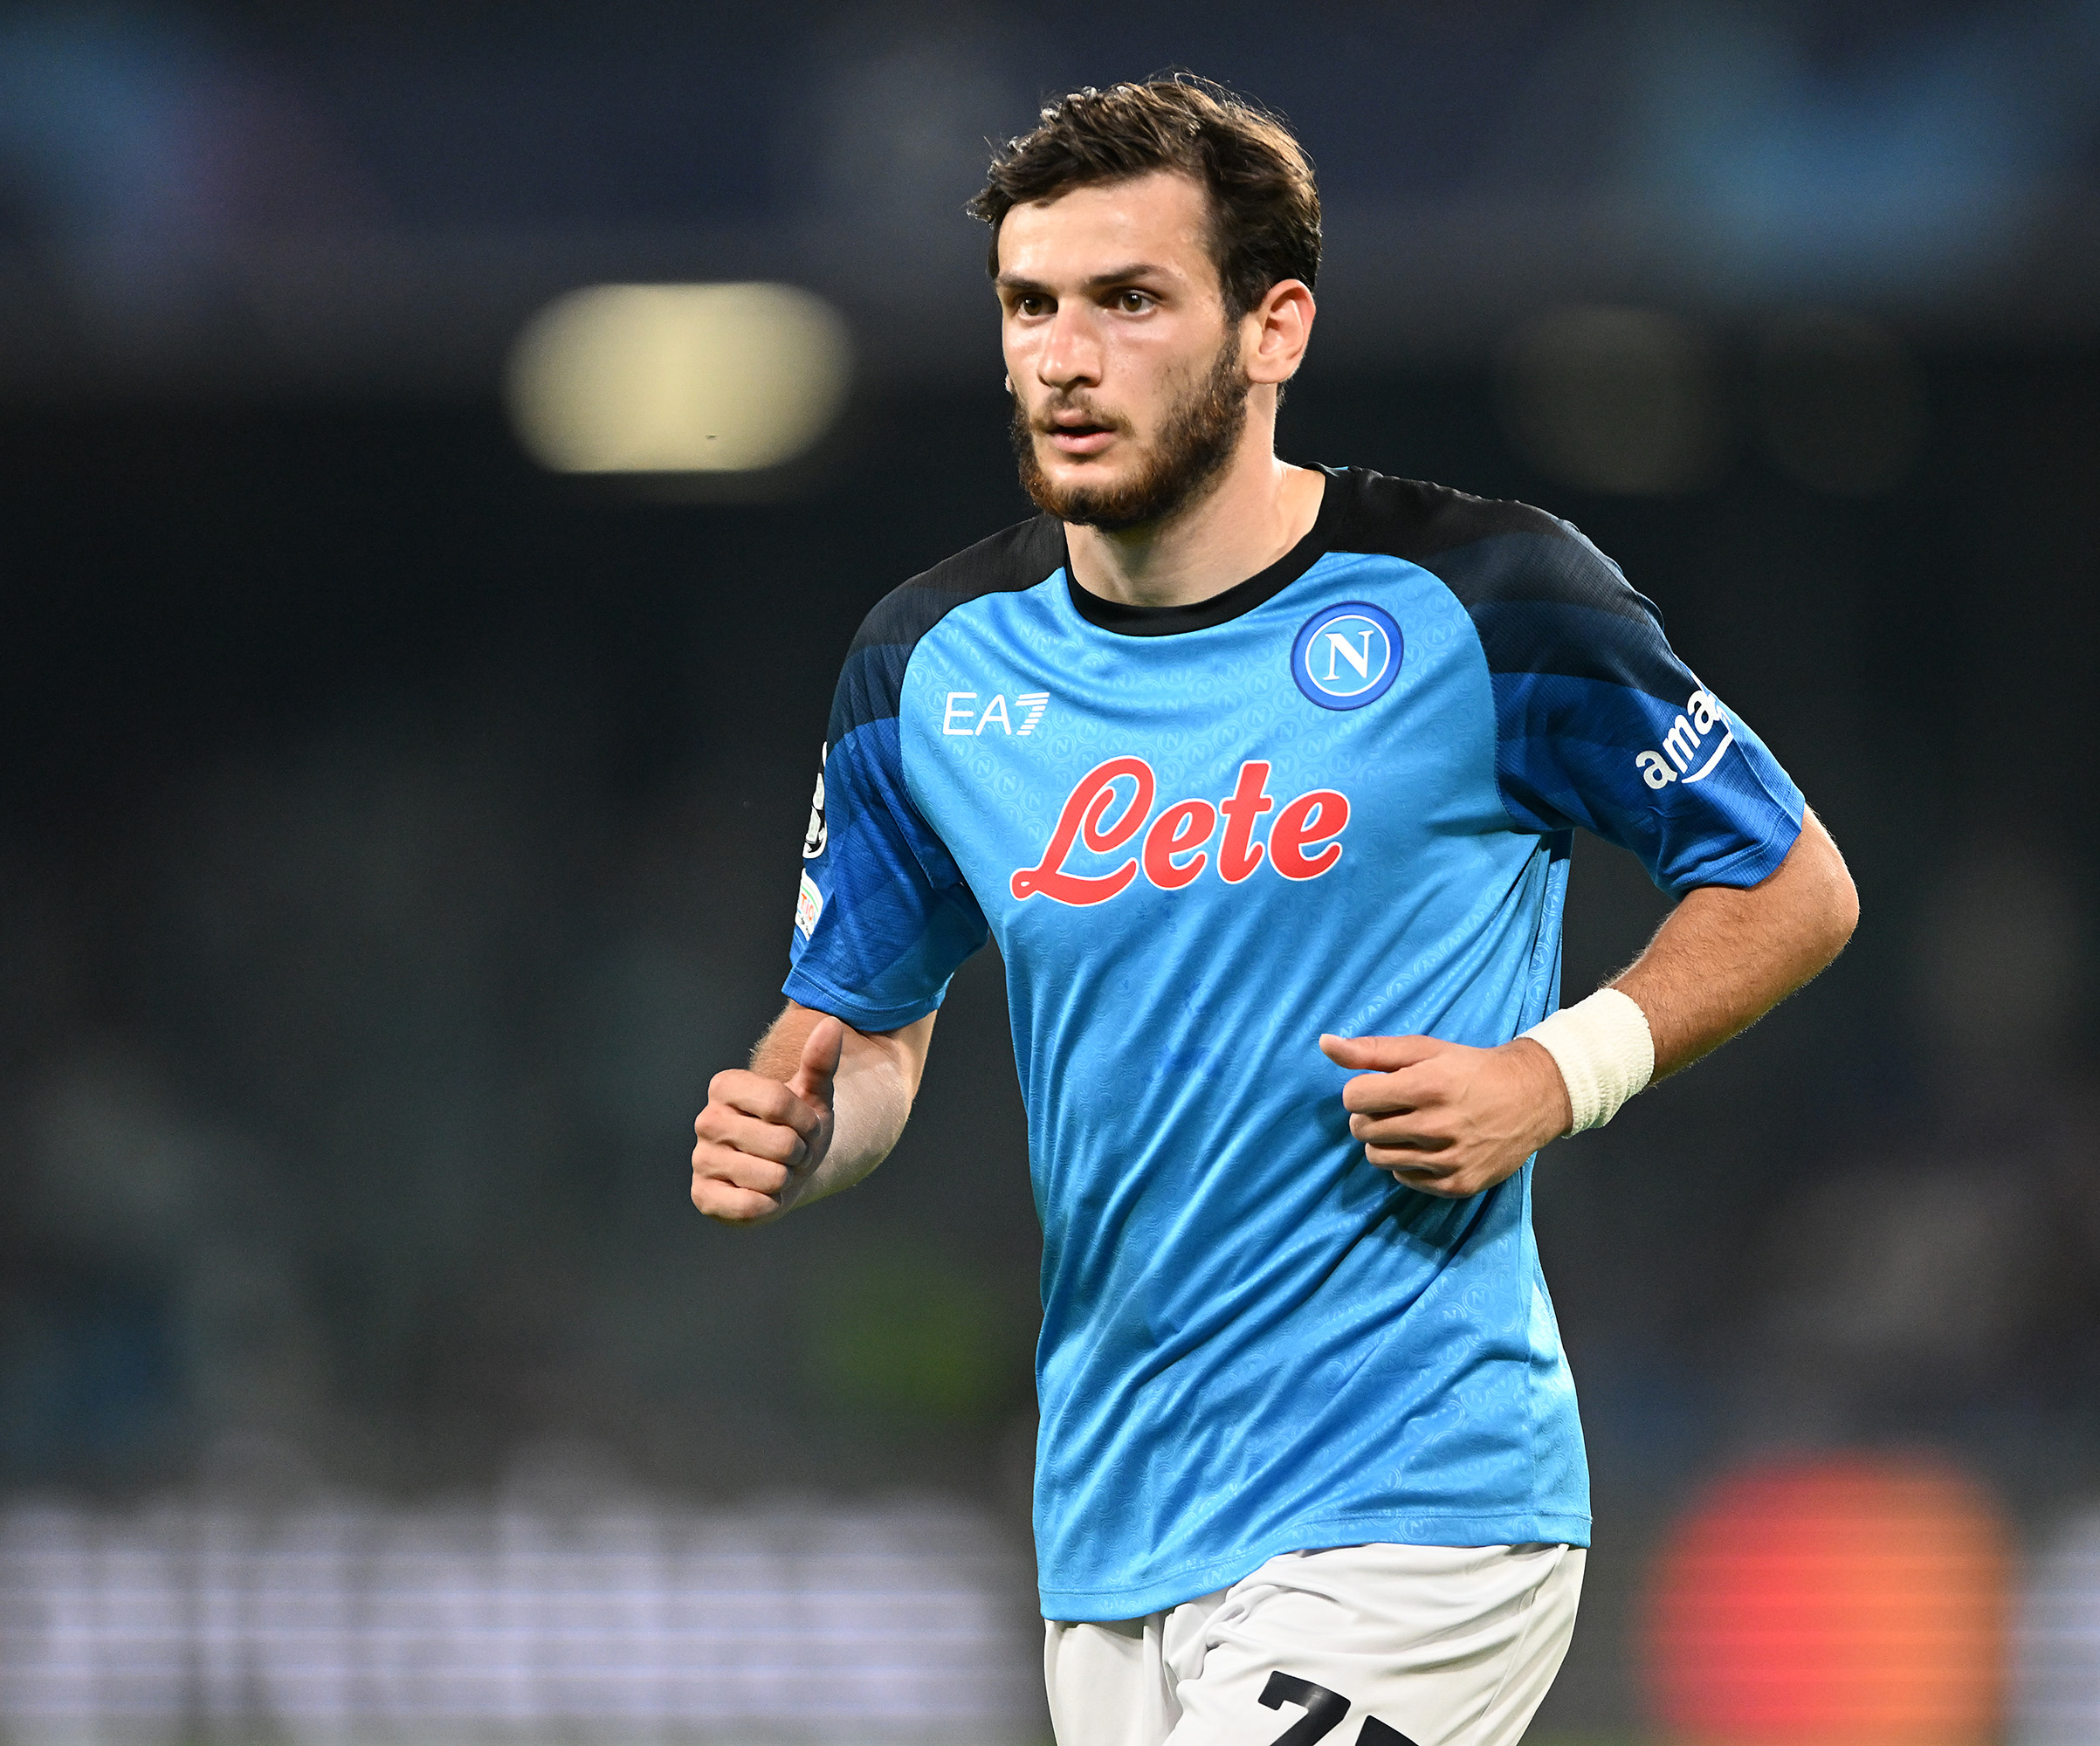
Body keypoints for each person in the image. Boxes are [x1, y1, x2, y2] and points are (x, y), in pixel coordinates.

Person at [692, 77, 1858, 1746]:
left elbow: (1791, 880)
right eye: (1031, 305)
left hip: (1416, 1501)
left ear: (1273, 327)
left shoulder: (1485, 600)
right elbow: (865, 1038)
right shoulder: (927, 667)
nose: (1065, 357)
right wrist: (809, 1131)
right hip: (1110, 1533)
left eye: (1130, 301)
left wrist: (1551, 1074)